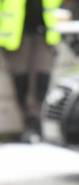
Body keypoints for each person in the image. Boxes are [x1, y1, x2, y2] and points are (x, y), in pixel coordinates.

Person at [0, 0, 62, 141]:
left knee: (42, 80)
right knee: (21, 82)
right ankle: (29, 124)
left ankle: (36, 125)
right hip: (15, 38)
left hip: (45, 36)